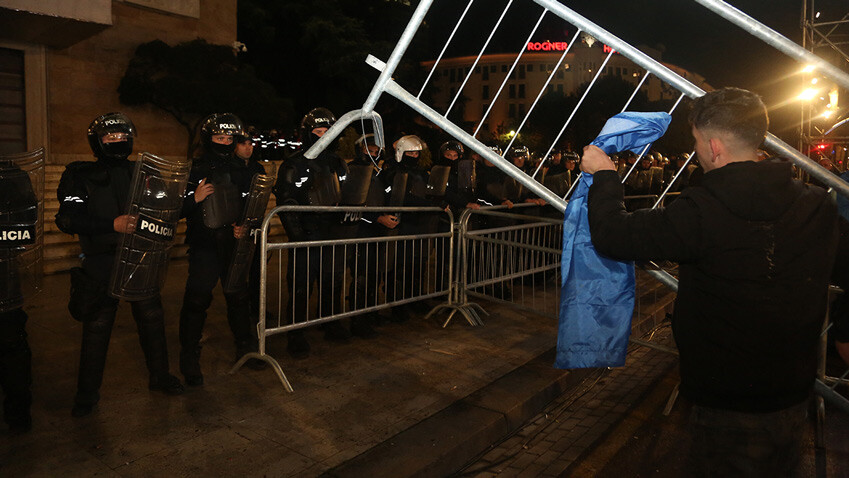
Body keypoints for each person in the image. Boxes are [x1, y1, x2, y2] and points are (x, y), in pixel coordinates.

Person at [580, 87, 838, 476]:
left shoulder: (700, 211)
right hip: (792, 393)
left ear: (714, 147)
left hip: (724, 400)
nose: (697, 151)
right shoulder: (817, 204)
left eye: (697, 142)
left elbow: (614, 234)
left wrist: (604, 176)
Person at [56, 112, 184, 417]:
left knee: (152, 319)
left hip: (141, 256)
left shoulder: (145, 171)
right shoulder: (79, 175)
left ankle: (160, 376)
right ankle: (86, 395)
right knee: (97, 327)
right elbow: (67, 219)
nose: (118, 141)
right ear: (97, 141)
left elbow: (166, 208)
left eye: (123, 137)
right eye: (110, 137)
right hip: (101, 261)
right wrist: (110, 225)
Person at [179, 113, 264, 386]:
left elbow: (252, 206)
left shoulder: (244, 170)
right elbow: (176, 209)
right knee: (197, 300)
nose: (225, 143)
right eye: (220, 138)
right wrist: (195, 198)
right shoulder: (195, 170)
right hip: (204, 246)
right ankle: (189, 354)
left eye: (229, 138)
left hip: (233, 245)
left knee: (238, 297)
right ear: (209, 139)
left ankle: (245, 346)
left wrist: (245, 226)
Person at [273, 108, 352, 359]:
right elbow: (285, 201)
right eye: (318, 131)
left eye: (328, 131)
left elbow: (348, 193)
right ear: (308, 133)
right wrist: (296, 236)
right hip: (305, 233)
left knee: (333, 280)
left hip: (333, 232)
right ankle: (296, 333)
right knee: (301, 285)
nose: (324, 135)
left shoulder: (338, 162)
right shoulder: (293, 163)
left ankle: (330, 322)